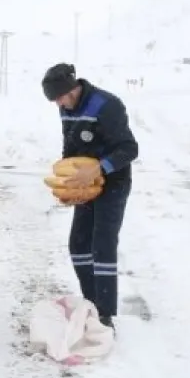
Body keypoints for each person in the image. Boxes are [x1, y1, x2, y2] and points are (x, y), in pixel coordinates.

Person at [41, 63, 139, 331]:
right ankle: (91, 303)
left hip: (113, 182)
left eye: (59, 97)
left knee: (102, 246)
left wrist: (98, 168)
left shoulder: (107, 105)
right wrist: (68, 186)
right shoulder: (66, 107)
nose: (58, 104)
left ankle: (105, 316)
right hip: (85, 186)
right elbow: (70, 148)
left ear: (72, 89)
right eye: (54, 100)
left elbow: (129, 148)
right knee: (78, 245)